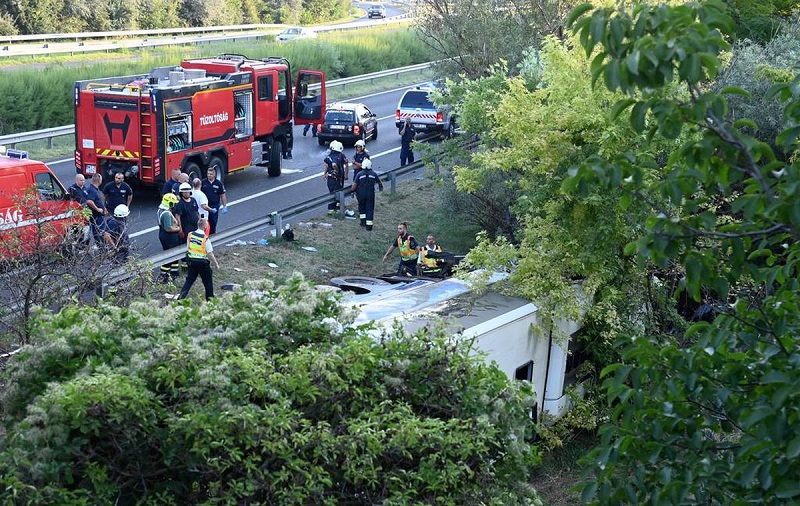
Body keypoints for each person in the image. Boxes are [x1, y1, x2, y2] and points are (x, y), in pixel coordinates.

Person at [177, 217, 220, 301]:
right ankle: (210, 301)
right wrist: (216, 264)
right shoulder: (205, 238)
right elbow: (210, 253)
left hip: (192, 262)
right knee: (208, 283)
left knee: (189, 281)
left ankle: (180, 298)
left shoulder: (190, 235)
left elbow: (188, 248)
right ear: (205, 227)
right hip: (203, 263)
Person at [351, 158, 383, 231]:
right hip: (370, 194)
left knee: (361, 207)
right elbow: (379, 182)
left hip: (361, 194)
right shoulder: (373, 174)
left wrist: (352, 190)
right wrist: (380, 188)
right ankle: (369, 226)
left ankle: (363, 222)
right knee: (370, 209)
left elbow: (354, 185)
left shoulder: (359, 174)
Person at [157, 193, 182, 282]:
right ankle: (164, 276)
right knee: (170, 256)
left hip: (164, 235)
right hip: (169, 237)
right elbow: (168, 228)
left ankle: (174, 273)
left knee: (173, 255)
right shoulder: (166, 214)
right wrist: (178, 229)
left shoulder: (161, 210)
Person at [200, 166, 228, 235]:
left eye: (211, 174)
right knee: (204, 222)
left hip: (214, 206)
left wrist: (225, 205)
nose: (209, 175)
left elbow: (222, 194)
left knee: (213, 222)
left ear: (214, 174)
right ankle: (205, 235)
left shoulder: (218, 183)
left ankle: (213, 234)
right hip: (205, 206)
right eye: (208, 174)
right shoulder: (203, 182)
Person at [322, 141, 346, 215]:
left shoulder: (329, 156)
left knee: (332, 192)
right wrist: (338, 171)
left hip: (331, 178)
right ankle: (333, 208)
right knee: (336, 192)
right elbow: (335, 164)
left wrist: (324, 173)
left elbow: (327, 165)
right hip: (337, 178)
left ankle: (333, 208)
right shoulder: (340, 155)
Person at [85, 173, 108, 244]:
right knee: (101, 232)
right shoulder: (93, 191)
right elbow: (89, 201)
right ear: (99, 181)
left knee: (97, 232)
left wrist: (103, 208)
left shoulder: (89, 188)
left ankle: (100, 245)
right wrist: (98, 209)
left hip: (94, 216)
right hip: (97, 216)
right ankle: (102, 246)